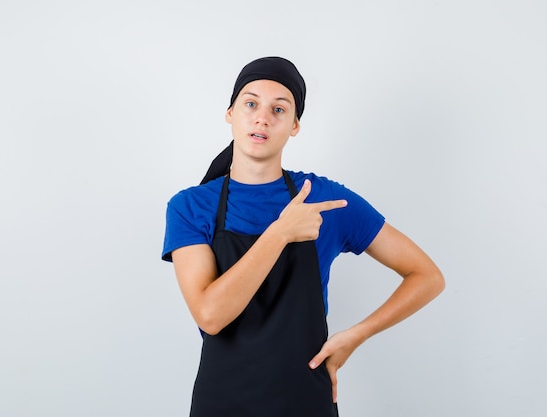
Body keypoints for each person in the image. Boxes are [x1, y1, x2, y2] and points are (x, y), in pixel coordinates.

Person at [161, 56, 445, 416]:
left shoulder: (324, 198)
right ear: (230, 113)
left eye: (279, 109)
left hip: (305, 401)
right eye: (250, 104)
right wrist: (281, 232)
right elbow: (211, 315)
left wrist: (354, 337)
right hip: (222, 402)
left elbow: (427, 276)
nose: (262, 117)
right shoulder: (190, 206)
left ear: (294, 126)